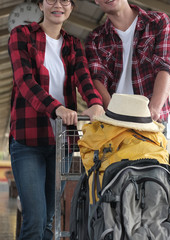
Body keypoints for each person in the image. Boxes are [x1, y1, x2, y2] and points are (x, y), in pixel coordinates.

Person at [7, 0, 104, 238]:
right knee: (35, 218)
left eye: (65, 0)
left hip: (62, 142)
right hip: (28, 141)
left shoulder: (73, 44)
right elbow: (25, 82)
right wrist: (57, 108)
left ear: (71, 7)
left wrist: (95, 103)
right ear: (40, 5)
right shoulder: (22, 35)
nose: (58, 5)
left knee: (50, 220)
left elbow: (84, 79)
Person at [85, 0, 170, 139]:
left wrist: (153, 110)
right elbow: (97, 78)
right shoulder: (95, 38)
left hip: (152, 124)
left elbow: (165, 66)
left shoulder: (158, 22)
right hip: (115, 126)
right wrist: (113, 114)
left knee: (151, 160)